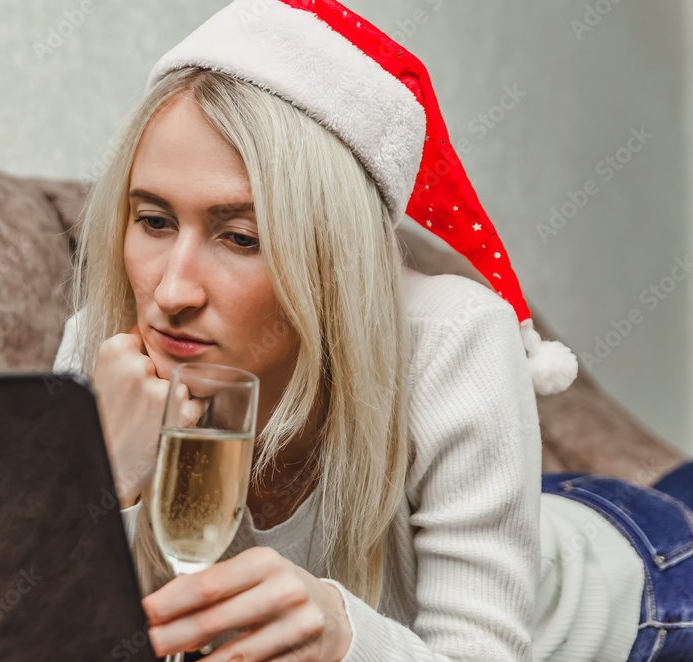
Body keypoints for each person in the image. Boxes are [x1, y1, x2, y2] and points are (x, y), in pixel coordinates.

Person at [52, 1, 693, 660]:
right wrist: (103, 478)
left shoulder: (451, 336)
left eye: (241, 236)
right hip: (494, 524)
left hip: (646, 579)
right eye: (154, 221)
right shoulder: (101, 353)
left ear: (333, 252)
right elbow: (31, 628)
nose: (172, 290)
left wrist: (345, 635)